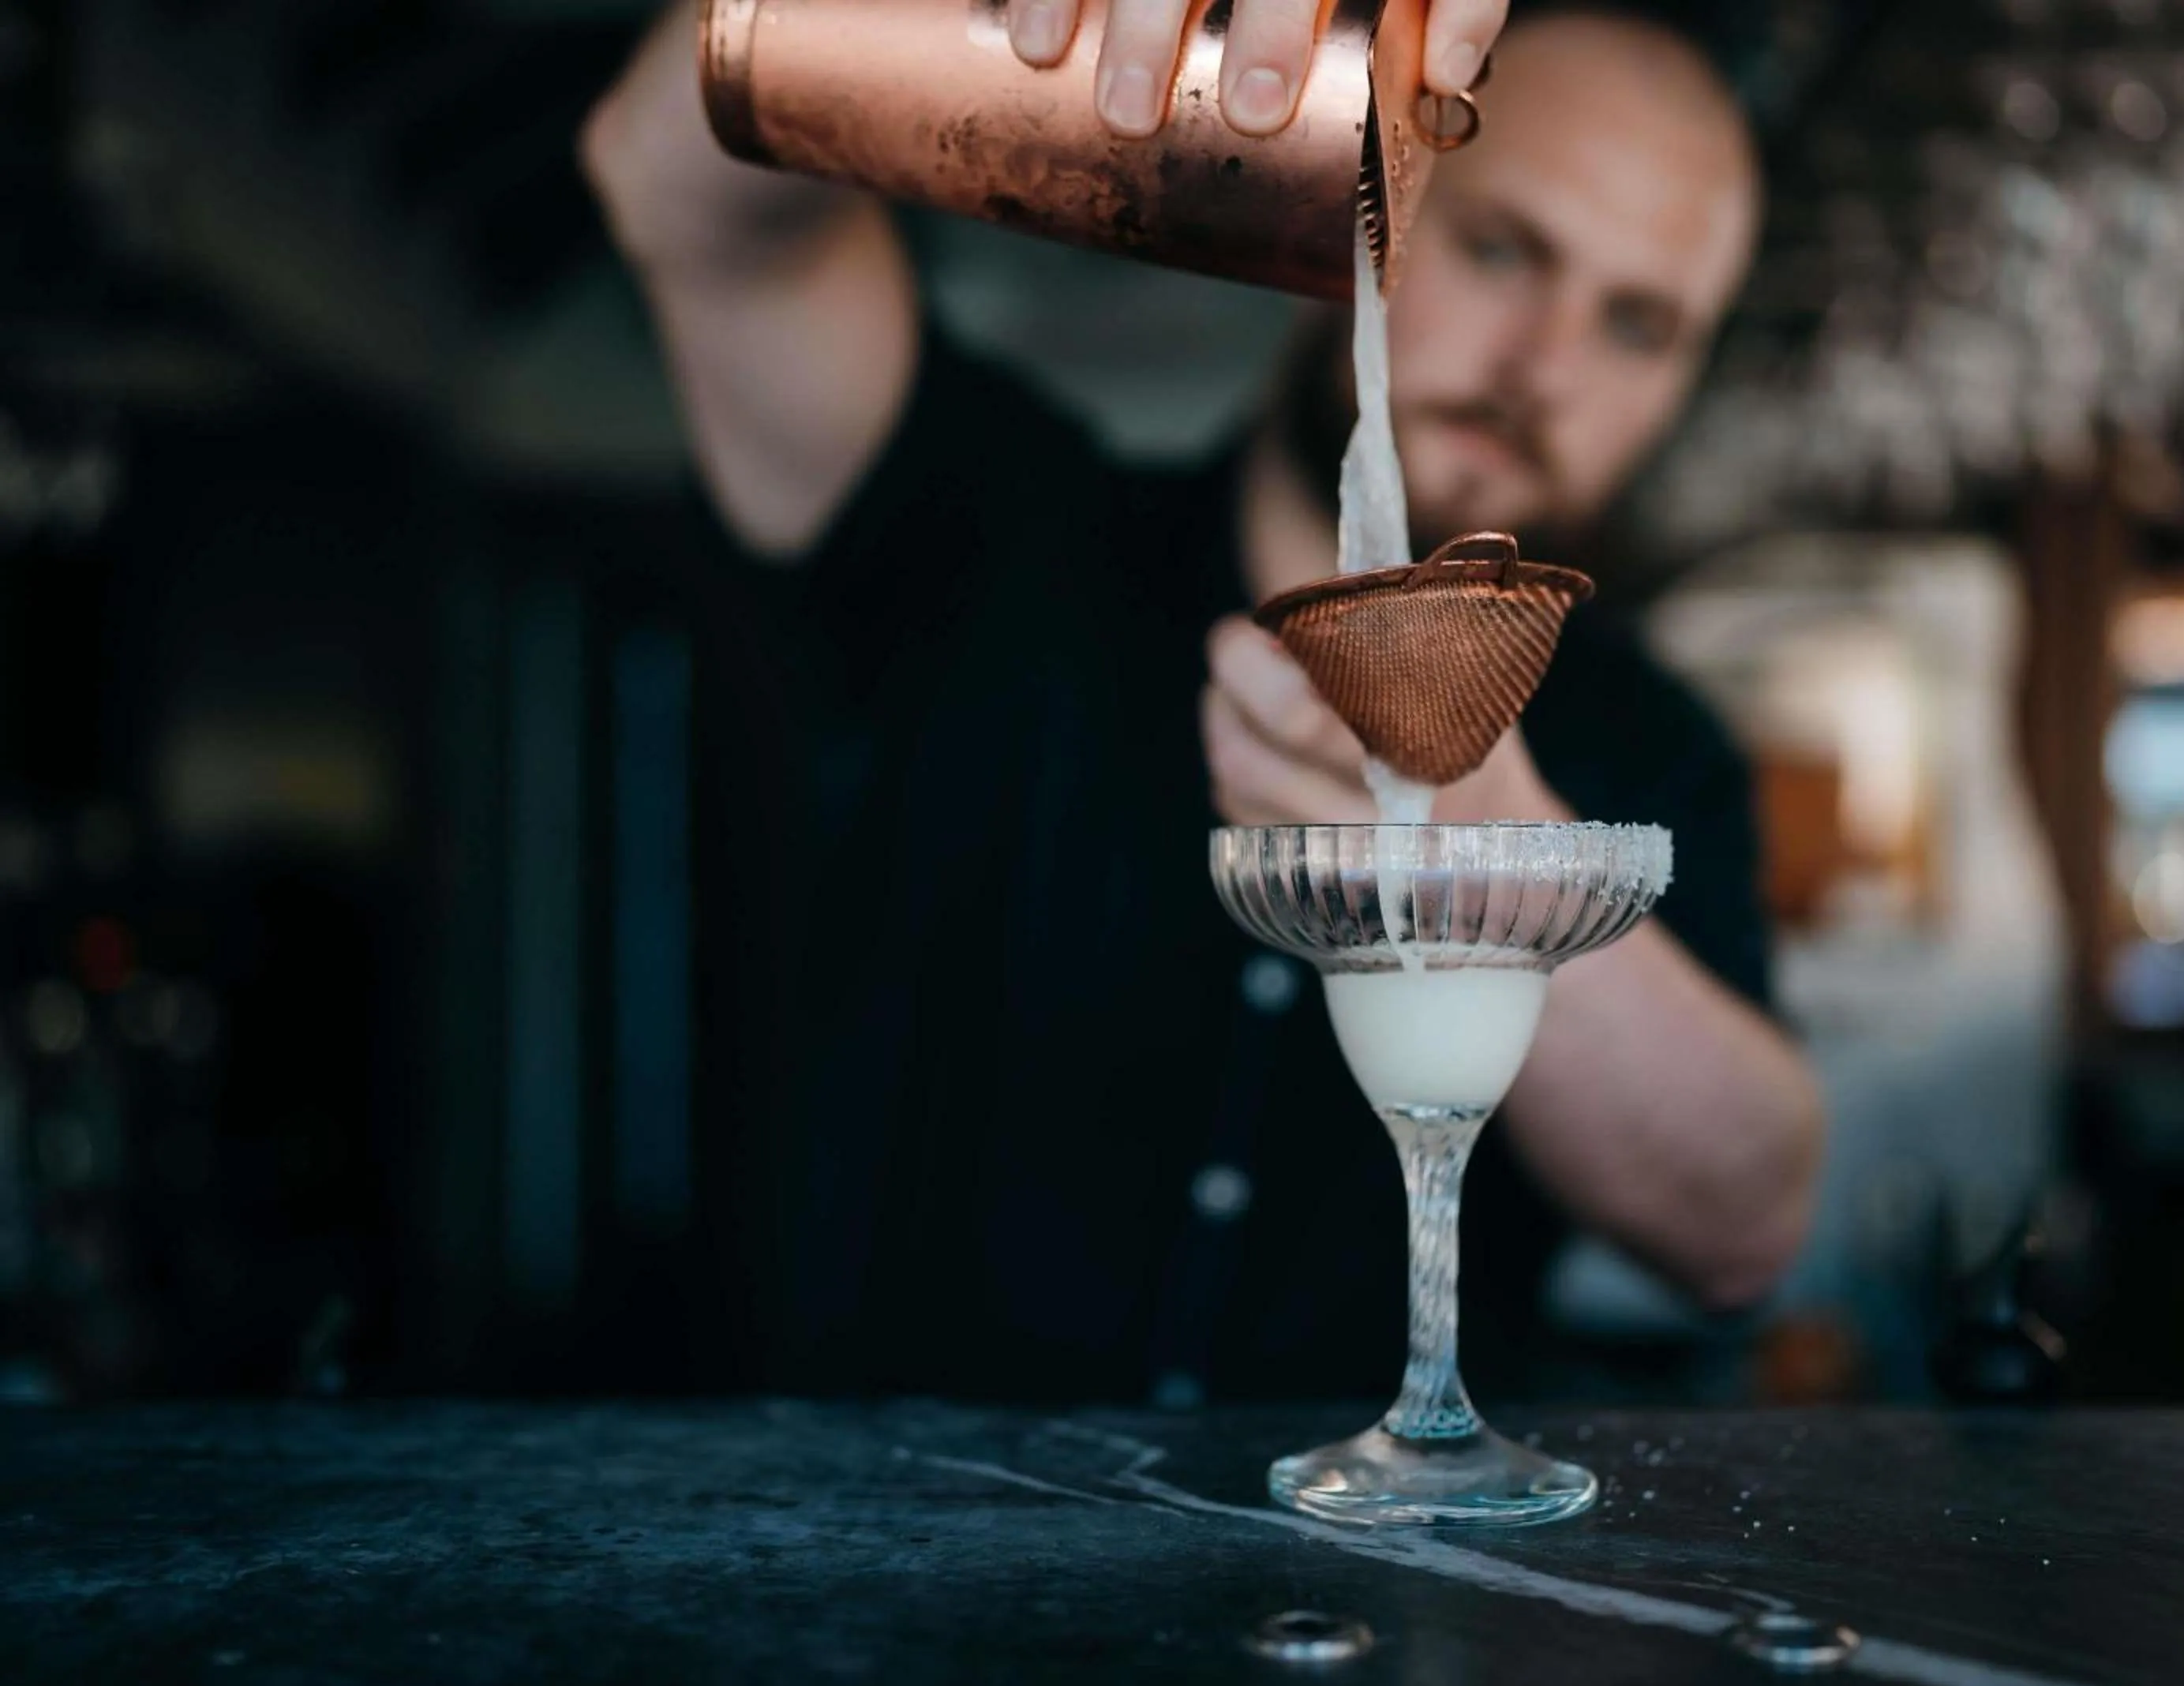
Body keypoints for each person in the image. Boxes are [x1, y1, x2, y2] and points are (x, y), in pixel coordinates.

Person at [579, 0, 1822, 1403]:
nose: (1545, 368)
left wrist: (1493, 855)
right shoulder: (994, 534)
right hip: (900, 1524)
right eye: (1499, 249)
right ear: (1342, 204)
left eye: (1639, 326)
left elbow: (1740, 1230)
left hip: (1384, 1541)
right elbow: (672, 182)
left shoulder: (1653, 749)